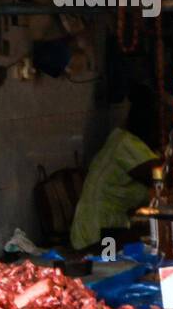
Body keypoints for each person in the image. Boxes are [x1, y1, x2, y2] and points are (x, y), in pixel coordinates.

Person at [70, 83, 163, 250]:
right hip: (99, 231)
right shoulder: (125, 145)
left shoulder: (133, 145)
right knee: (110, 265)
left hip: (113, 227)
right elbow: (161, 178)